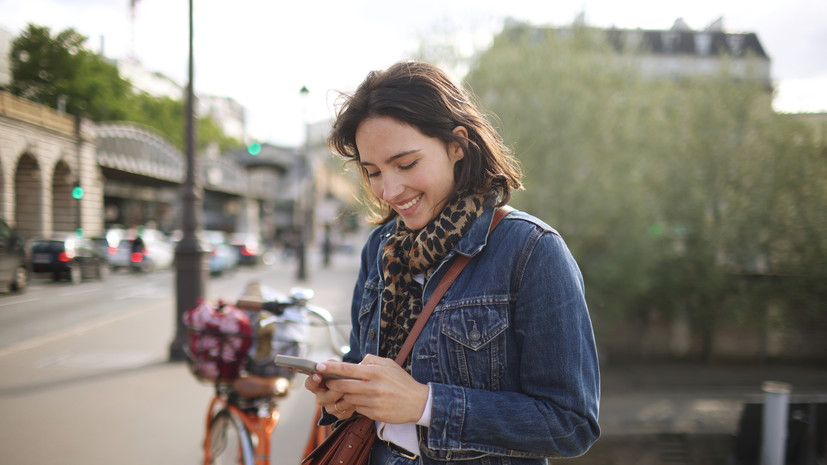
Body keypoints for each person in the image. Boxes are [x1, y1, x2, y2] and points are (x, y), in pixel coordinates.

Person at [304, 61, 600, 464]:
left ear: (457, 145)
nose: (389, 190)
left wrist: (425, 404)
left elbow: (571, 423)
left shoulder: (531, 251)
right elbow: (362, 363)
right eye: (372, 172)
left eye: (406, 164)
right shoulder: (379, 247)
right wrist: (342, 396)